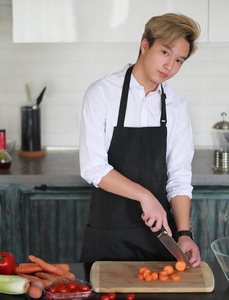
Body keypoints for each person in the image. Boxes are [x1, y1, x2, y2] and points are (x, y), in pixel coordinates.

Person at [79, 13, 201, 268]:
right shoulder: (102, 94)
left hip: (158, 240)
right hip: (108, 237)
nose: (170, 66)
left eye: (179, 60)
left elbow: (179, 176)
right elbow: (93, 167)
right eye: (165, 52)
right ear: (145, 45)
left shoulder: (177, 106)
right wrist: (145, 196)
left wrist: (184, 234)